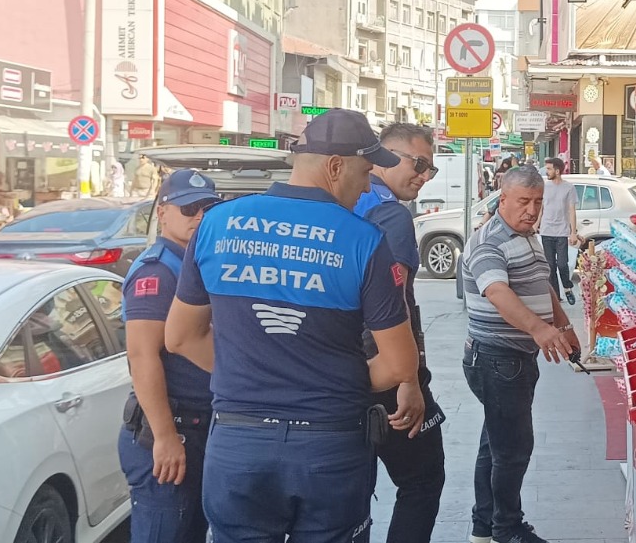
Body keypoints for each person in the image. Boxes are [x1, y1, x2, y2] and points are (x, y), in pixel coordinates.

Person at [165, 109, 420, 543]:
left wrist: (251, 373)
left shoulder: (218, 224)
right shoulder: (362, 240)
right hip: (327, 448)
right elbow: (398, 364)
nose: (365, 187)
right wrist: (328, 386)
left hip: (237, 442)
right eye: (364, 171)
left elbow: (180, 337)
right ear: (335, 166)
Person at [461, 164, 580, 543]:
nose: (532, 210)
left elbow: (541, 283)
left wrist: (561, 324)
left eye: (538, 202)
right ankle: (506, 529)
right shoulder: (489, 241)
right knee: (513, 451)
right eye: (524, 202)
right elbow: (497, 293)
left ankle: (484, 526)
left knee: (495, 445)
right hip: (497, 359)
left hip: (515, 360)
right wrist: (539, 329)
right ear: (503, 197)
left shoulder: (527, 235)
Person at [352, 123, 447, 543]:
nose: (425, 176)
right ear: (385, 156)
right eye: (419, 163)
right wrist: (409, 378)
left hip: (328, 373)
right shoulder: (389, 213)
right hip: (384, 372)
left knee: (348, 493)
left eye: (432, 168)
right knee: (424, 479)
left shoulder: (339, 204)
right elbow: (395, 307)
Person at [120, 169, 223, 543]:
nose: (199, 217)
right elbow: (142, 356)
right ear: (163, 213)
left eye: (208, 209)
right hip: (172, 428)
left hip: (201, 425)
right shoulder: (160, 271)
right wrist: (165, 437)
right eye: (189, 208)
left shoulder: (201, 263)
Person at [538, 158, 581, 306]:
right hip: (546, 230)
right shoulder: (545, 187)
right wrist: (536, 225)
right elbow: (541, 208)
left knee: (562, 264)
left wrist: (573, 232)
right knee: (550, 266)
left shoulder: (568, 188)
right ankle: (556, 296)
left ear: (557, 171)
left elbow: (571, 210)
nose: (547, 172)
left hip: (562, 231)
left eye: (549, 169)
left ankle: (567, 288)